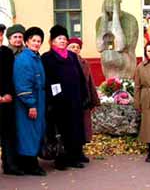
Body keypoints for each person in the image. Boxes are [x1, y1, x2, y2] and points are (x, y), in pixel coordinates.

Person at [42, 25, 87, 170]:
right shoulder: (47, 58)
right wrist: (54, 98)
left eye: (64, 38)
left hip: (74, 99)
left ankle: (74, 157)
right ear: (52, 41)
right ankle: (61, 159)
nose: (62, 41)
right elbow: (48, 80)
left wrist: (84, 95)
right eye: (59, 38)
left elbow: (80, 77)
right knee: (60, 131)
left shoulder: (72, 56)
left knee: (75, 129)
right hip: (58, 101)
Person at [13, 27, 46, 176]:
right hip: (28, 104)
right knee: (29, 133)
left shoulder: (35, 57)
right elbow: (22, 84)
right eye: (34, 40)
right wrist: (31, 104)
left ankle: (29, 162)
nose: (37, 43)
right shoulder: (24, 59)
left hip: (38, 100)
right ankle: (30, 165)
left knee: (34, 131)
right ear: (27, 42)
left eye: (39, 41)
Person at [67, 37, 100, 162]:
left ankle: (80, 152)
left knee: (83, 127)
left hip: (83, 99)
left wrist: (94, 100)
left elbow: (90, 81)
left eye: (77, 47)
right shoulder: (65, 62)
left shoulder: (84, 63)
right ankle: (71, 152)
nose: (75, 49)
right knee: (72, 127)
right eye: (72, 47)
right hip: (70, 100)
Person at [0, 24, 24, 175]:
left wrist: (9, 94)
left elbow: (11, 77)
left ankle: (10, 165)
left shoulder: (7, 53)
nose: (0, 37)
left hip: (7, 100)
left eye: (1, 34)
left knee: (8, 134)